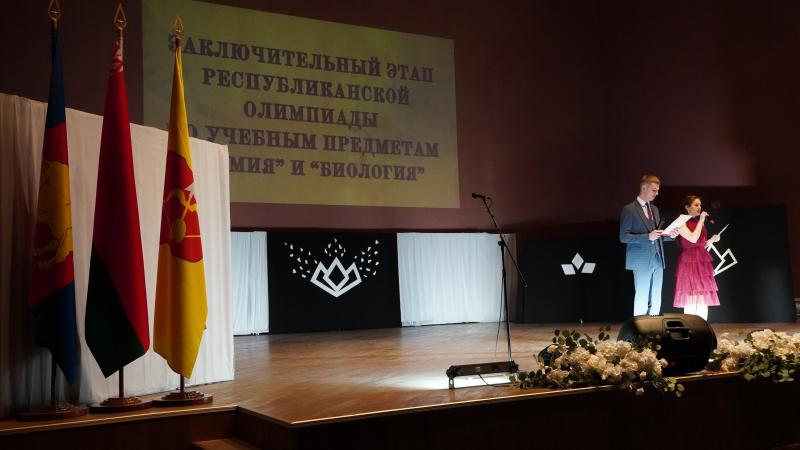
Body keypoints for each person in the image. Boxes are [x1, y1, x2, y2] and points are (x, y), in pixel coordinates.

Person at [619, 175, 677, 316]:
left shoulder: (654, 209)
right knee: (642, 295)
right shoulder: (629, 210)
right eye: (654, 190)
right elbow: (623, 237)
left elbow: (656, 235)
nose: (656, 193)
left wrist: (670, 235)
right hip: (641, 260)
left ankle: (654, 324)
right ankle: (639, 326)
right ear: (643, 187)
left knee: (656, 295)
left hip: (657, 258)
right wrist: (647, 237)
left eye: (657, 190)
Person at [673, 195, 721, 320]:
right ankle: (690, 326)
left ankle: (702, 325)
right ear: (687, 207)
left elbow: (701, 243)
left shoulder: (699, 222)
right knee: (691, 296)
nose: (699, 207)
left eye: (700, 205)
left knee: (702, 295)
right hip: (688, 261)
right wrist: (701, 220)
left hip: (701, 260)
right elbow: (693, 239)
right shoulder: (681, 221)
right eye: (696, 205)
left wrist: (712, 240)